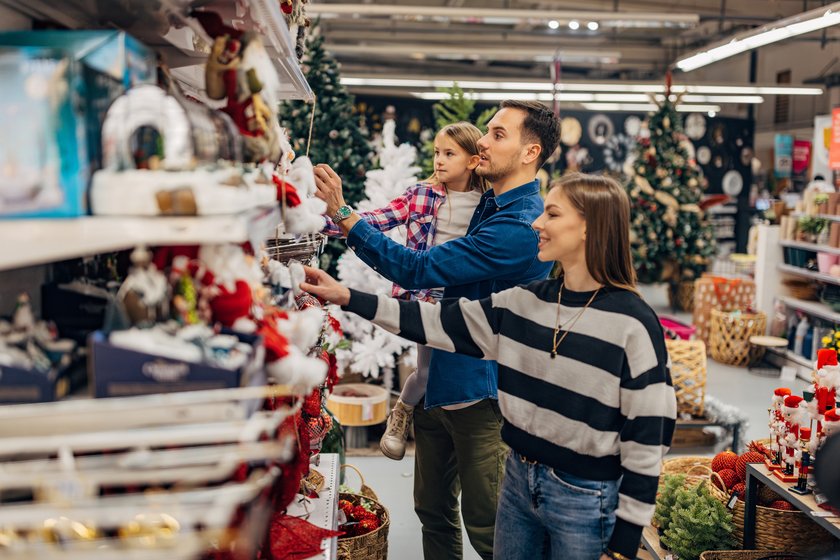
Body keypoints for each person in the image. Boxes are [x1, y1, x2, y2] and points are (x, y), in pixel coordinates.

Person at [301, 173, 677, 560]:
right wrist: (346, 295)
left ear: (587, 228)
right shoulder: (525, 302)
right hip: (518, 482)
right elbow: (436, 321)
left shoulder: (633, 323)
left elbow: (649, 436)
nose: (536, 223)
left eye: (552, 213)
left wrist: (624, 544)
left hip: (584, 496)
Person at [314, 100, 559, 560]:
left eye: (498, 135)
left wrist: (346, 215)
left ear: (531, 152)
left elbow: (420, 269)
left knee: (489, 529)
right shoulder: (484, 200)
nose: (482, 142)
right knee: (433, 513)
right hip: (438, 385)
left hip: (484, 398)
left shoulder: (519, 225)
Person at [321, 121, 488, 460]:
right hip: (427, 300)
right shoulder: (421, 195)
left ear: (473, 161)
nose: (438, 161)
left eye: (449, 154)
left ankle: (460, 434)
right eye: (436, 153)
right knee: (426, 370)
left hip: (468, 302)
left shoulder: (489, 204)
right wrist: (322, 221)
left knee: (465, 369)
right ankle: (402, 415)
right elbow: (376, 220)